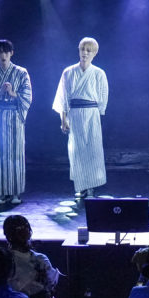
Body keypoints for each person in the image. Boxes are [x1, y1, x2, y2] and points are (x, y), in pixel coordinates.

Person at [53, 37, 108, 200]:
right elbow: (62, 97)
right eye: (83, 49)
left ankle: (91, 187)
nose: (85, 53)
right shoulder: (68, 72)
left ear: (94, 53)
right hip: (74, 114)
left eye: (89, 50)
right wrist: (63, 119)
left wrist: (99, 113)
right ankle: (81, 186)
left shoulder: (98, 73)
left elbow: (103, 95)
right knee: (76, 150)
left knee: (92, 149)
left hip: (91, 114)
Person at [0, 39, 32, 205]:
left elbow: (27, 96)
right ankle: (1, 192)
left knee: (15, 154)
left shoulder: (21, 72)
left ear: (11, 53)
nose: (3, 55)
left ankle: (15, 192)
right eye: (0, 52)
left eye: (6, 52)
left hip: (14, 116)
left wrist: (13, 93)